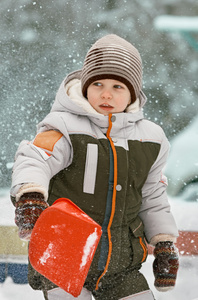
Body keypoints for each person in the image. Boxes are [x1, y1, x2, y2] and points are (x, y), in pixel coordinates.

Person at [11, 34, 179, 300]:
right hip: (64, 257)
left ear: (133, 92)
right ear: (85, 86)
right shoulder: (64, 126)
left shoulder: (151, 139)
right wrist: (30, 194)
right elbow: (35, 158)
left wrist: (164, 241)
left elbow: (153, 197)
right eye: (98, 83)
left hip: (121, 264)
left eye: (118, 86)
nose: (106, 93)